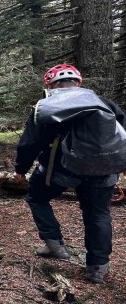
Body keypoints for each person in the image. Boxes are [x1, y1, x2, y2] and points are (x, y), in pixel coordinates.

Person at [14, 64, 125, 283]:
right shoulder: (105, 104)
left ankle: (54, 244)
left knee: (36, 197)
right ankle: (98, 269)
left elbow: (30, 143)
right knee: (98, 214)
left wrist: (20, 169)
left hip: (60, 170)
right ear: (79, 82)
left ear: (49, 84)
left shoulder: (46, 106)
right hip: (103, 171)